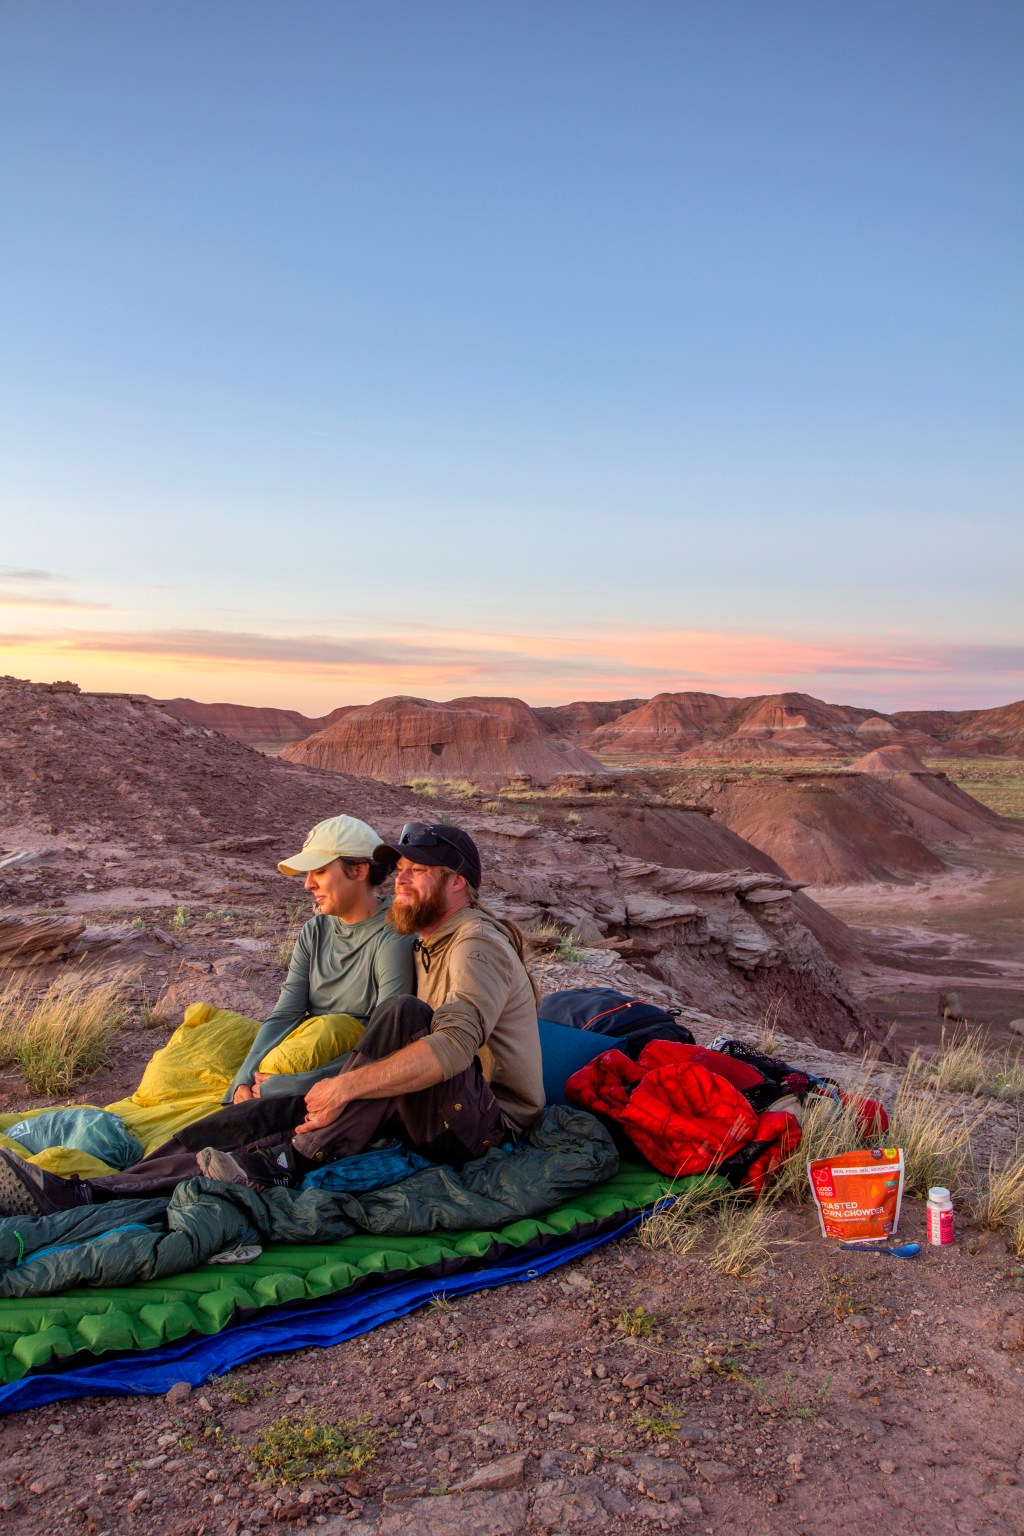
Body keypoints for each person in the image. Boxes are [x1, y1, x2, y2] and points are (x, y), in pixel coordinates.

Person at [0, 824, 543, 1214]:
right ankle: (95, 1189)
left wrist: (342, 1087)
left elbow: (449, 1048)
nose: (400, 881)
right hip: (438, 1100)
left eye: (417, 872)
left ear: (457, 883)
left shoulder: (474, 943)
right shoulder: (426, 940)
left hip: (490, 1126)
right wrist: (308, 1088)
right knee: (250, 1121)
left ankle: (291, 1160)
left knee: (395, 1021)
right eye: (399, 870)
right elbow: (299, 1013)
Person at [225, 813, 414, 1103]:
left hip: (342, 1069)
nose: (307, 884)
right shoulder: (315, 931)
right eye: (308, 873)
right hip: (299, 1053)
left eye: (320, 871)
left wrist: (297, 1085)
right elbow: (286, 1014)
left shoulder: (393, 934)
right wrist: (242, 1080)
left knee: (329, 1029)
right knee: (198, 1035)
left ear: (359, 870)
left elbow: (385, 1038)